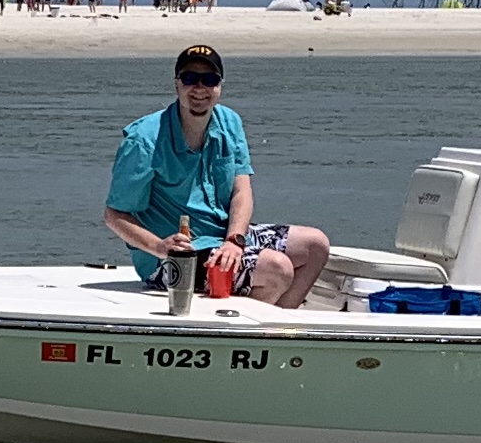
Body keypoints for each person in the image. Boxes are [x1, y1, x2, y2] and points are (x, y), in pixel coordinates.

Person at [103, 44, 330, 306]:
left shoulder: (230, 122)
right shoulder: (144, 140)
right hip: (173, 258)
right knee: (277, 268)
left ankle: (277, 323)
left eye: (209, 80)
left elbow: (241, 190)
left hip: (223, 236)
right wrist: (158, 247)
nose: (199, 88)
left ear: (220, 86)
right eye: (190, 78)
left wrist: (234, 240)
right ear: (177, 84)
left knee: (316, 245)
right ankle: (241, 325)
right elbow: (114, 215)